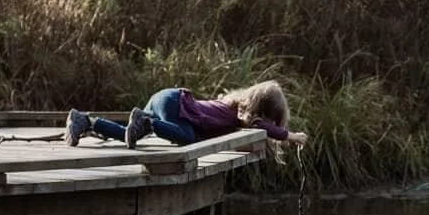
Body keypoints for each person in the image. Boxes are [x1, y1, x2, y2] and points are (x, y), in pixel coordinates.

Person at [65, 81, 309, 154]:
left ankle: (86, 122)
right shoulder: (245, 116)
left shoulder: (232, 105)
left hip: (166, 98)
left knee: (131, 135)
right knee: (188, 137)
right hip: (174, 101)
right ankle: (147, 123)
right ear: (263, 112)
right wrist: (292, 136)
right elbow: (268, 129)